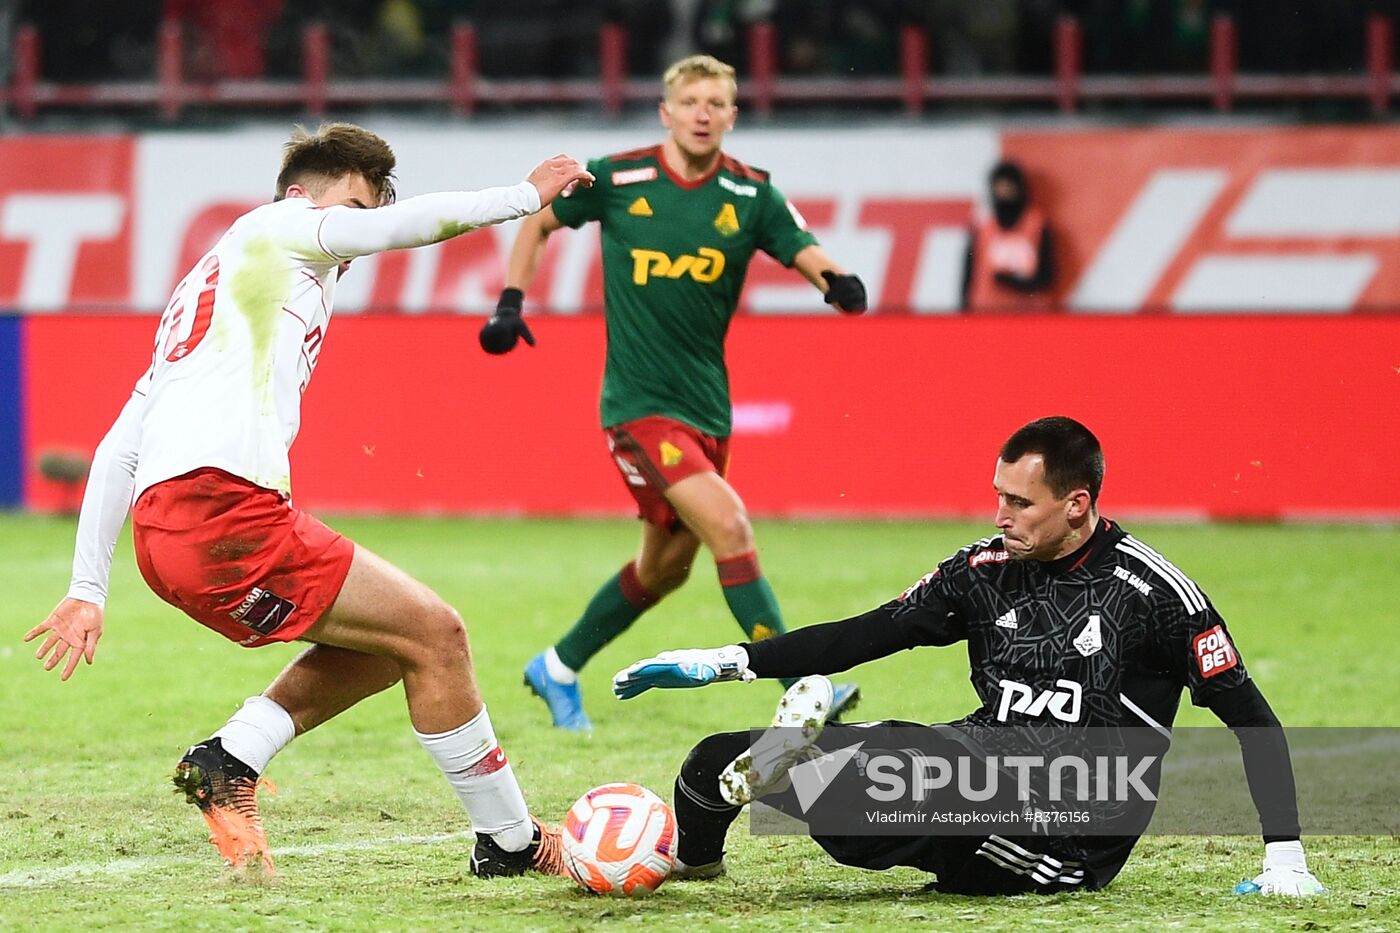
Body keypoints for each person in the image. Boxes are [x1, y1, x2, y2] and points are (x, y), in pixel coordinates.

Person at [23, 123, 594, 879]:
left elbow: (117, 448)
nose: (352, 237)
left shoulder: (212, 294)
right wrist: (524, 197)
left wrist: (88, 588)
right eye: (350, 209)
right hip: (222, 512)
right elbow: (405, 226)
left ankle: (229, 758)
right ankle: (512, 842)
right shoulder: (282, 227)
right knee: (439, 632)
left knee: (393, 646)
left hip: (172, 537)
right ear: (303, 193)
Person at [612, 416, 1326, 897]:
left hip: (1068, 827)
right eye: (997, 495)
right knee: (710, 759)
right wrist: (723, 659)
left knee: (865, 801)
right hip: (971, 757)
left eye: (1020, 502)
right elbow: (868, 633)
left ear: (1077, 504)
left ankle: (785, 765)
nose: (999, 515)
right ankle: (698, 854)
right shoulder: (983, 569)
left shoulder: (1155, 593)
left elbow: (1251, 718)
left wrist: (1285, 854)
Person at [481, 53, 866, 732]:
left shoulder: (752, 195)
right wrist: (512, 301)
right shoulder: (619, 178)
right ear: (666, 112)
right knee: (730, 526)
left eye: (717, 103)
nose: (702, 114)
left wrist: (835, 282)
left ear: (732, 116)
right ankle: (801, 683)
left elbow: (803, 247)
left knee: (662, 571)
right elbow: (538, 218)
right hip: (637, 405)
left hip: (708, 410)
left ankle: (557, 666)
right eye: (691, 102)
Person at [961, 159, 1056, 312]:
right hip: (986, 313)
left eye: (1009, 186)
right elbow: (968, 271)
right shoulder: (983, 225)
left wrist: (1013, 282)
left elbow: (1047, 275)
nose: (1004, 192)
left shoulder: (1036, 224)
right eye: (1000, 187)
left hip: (1029, 313)